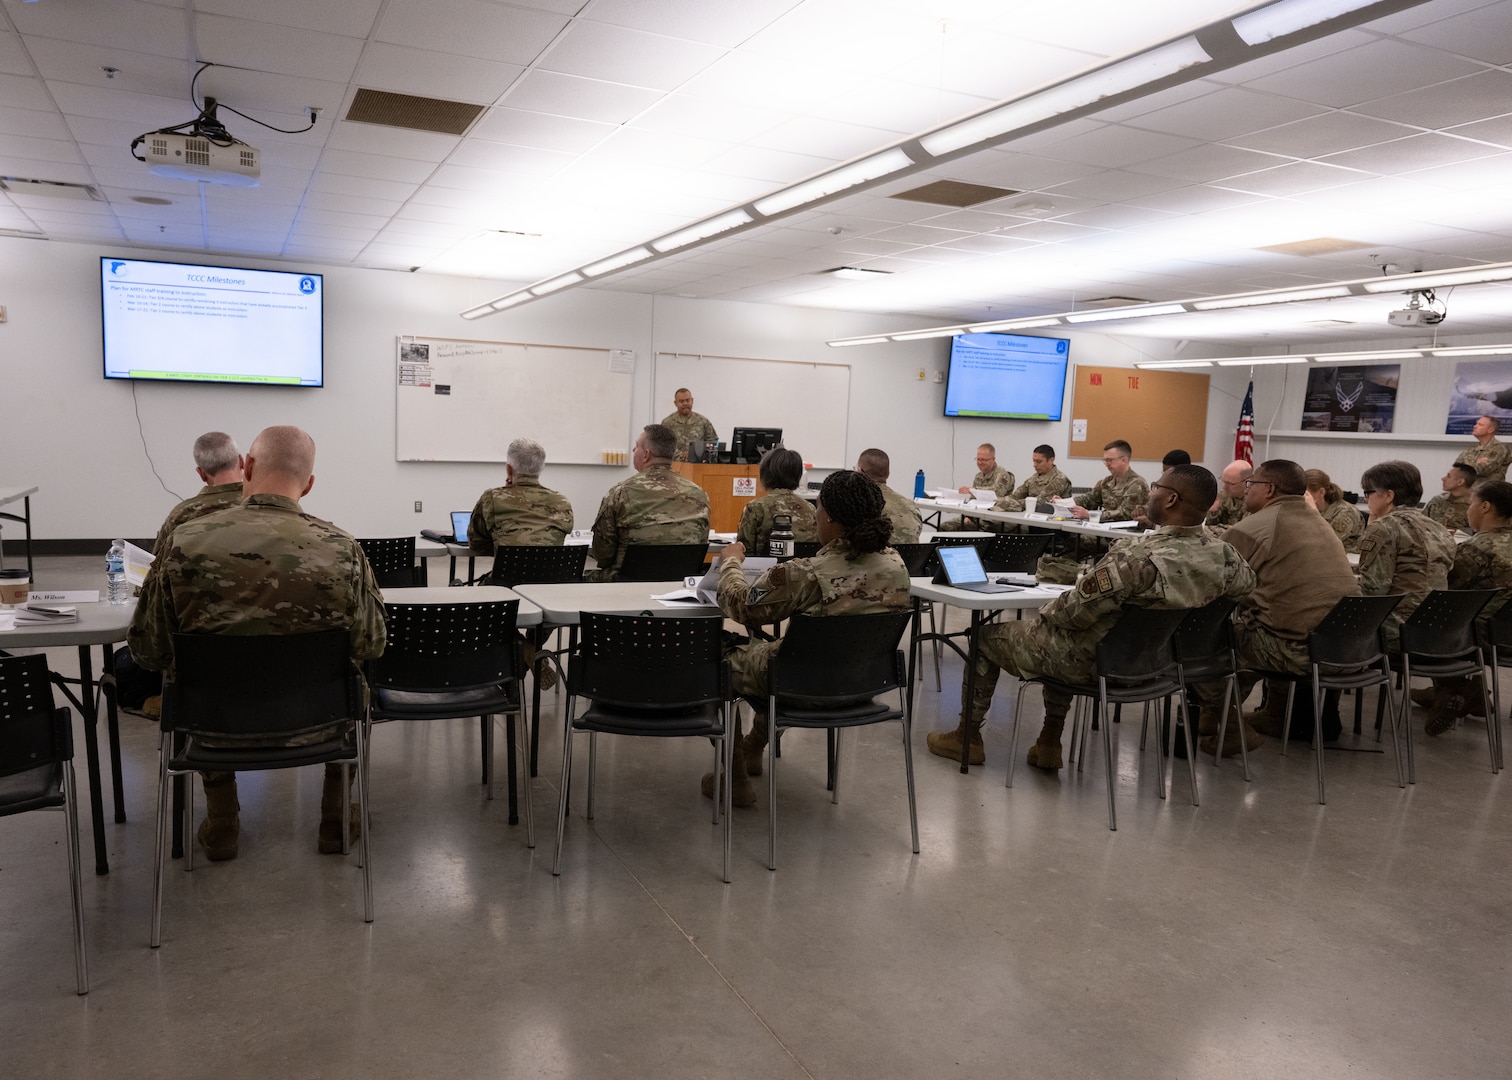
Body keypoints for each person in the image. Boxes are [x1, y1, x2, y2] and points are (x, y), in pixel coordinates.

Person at [127, 426, 386, 862]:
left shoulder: (184, 541)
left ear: (246, 466)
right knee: (354, 683)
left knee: (197, 678)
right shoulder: (342, 548)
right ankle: (335, 820)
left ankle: (223, 823)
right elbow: (372, 642)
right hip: (319, 721)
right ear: (308, 484)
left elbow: (148, 650)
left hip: (211, 724)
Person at [927, 464, 1255, 767]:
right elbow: (1243, 591)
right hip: (1156, 665)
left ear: (1170, 499)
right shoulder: (1224, 555)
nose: (1150, 493)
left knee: (989, 638)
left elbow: (1072, 615)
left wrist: (1046, 609)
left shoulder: (1135, 556)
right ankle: (1048, 742)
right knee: (1071, 640)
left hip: (1094, 664)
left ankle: (966, 738)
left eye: (1155, 487)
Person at [704, 470, 911, 806]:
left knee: (720, 655)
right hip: (864, 683)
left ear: (828, 516)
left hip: (805, 686)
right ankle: (754, 745)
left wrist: (731, 563)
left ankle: (736, 779)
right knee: (783, 655)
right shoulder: (896, 564)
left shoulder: (807, 573)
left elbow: (742, 606)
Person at [1195, 459, 1360, 752]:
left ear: (1269, 489)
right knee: (1267, 622)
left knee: (1204, 639)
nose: (1246, 491)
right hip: (1350, 650)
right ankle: (1269, 714)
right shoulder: (1320, 523)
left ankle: (1226, 726)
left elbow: (1212, 589)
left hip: (1297, 653)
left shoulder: (1254, 527)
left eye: (1251, 484)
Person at [1412, 480, 1512, 733]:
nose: (1468, 510)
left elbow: (1445, 589)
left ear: (1485, 507)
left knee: (1427, 618)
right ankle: (1460, 693)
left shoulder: (1476, 548)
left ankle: (1453, 691)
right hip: (1504, 631)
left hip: (1478, 634)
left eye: (1471, 504)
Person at [589, 423, 710, 581]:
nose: (633, 451)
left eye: (636, 447)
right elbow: (699, 545)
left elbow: (603, 555)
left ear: (646, 455)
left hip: (626, 582)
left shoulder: (620, 493)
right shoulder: (699, 494)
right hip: (678, 583)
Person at [1357, 460, 1456, 652]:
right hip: (1437, 631)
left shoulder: (1385, 527)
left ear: (1388, 496)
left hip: (1395, 632)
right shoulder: (1438, 528)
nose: (1366, 498)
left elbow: (1373, 592)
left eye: (1367, 492)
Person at [466, 437, 574, 551]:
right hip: (551, 568)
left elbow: (476, 543)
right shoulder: (562, 502)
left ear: (508, 469)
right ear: (541, 468)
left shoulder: (492, 498)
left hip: (509, 568)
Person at [149, 431, 246, 555]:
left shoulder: (181, 515)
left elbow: (157, 565)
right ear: (242, 461)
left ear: (201, 473)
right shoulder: (262, 506)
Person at [735, 447, 817, 553]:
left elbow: (744, 551)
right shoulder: (810, 508)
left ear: (765, 474)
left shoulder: (756, 507)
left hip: (765, 568)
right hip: (803, 568)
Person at [938, 443, 1016, 532]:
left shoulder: (1002, 474)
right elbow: (973, 499)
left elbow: (996, 493)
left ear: (993, 460)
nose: (980, 462)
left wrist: (974, 490)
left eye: (983, 460)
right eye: (978, 459)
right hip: (977, 516)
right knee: (946, 527)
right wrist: (968, 516)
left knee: (970, 529)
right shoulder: (978, 476)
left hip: (993, 518)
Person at [1070, 440, 1148, 522]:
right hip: (1106, 528)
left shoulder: (1137, 484)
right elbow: (1088, 500)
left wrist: (1090, 515)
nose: (1107, 464)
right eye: (1105, 461)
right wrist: (1065, 503)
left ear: (1124, 460)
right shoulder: (1107, 481)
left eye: (1110, 460)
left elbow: (1125, 513)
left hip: (1126, 531)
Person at [855, 447, 922, 543]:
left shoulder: (858, 504)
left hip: (874, 557)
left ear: (859, 471)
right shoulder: (911, 506)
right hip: (907, 558)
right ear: (888, 474)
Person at [991, 444, 1074, 511]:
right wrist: (1000, 500)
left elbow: (1040, 502)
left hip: (1049, 522)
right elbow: (1017, 495)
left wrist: (1007, 503)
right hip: (1031, 517)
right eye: (1034, 461)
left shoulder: (1059, 479)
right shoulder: (1034, 478)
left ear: (1051, 460)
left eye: (1039, 462)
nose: (1034, 465)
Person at [1305, 468, 1365, 553]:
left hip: (1346, 559)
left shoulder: (1346, 512)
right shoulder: (1309, 509)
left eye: (1306, 493)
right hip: (1321, 556)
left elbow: (1326, 542)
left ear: (1321, 492)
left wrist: (1314, 513)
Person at [660, 387, 718, 461]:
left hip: (698, 465)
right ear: (675, 403)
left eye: (687, 400)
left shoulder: (703, 421)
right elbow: (662, 445)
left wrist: (695, 453)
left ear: (692, 401)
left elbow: (713, 443)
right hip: (674, 466)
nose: (685, 403)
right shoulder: (667, 423)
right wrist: (680, 454)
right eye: (681, 401)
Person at [1203, 460, 1252, 536]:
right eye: (1223, 481)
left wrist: (1209, 529)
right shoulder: (1223, 496)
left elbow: (1241, 532)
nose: (1225, 487)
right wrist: (1213, 511)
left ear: (1247, 482)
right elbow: (1206, 525)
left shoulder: (1255, 501)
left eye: (1230, 483)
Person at [1423, 463, 1476, 532]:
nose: (1443, 479)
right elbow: (1421, 524)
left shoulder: (1475, 505)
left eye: (1448, 476)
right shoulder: (1437, 501)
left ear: (1460, 482)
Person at [1456, 416, 1510, 481]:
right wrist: (1476, 463)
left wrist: (1467, 465)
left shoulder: (1500, 448)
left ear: (1490, 430)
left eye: (1480, 425)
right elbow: (1456, 470)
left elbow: (1482, 470)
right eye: (1476, 424)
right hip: (1468, 489)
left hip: (1488, 489)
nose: (1475, 426)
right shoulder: (1470, 450)